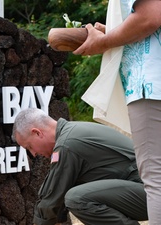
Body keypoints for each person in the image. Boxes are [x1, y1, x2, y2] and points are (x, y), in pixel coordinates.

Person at [73, 1, 161, 224]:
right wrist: (114, 31)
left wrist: (104, 42)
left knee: (156, 179)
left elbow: (150, 16)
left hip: (151, 85)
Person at [12, 108, 147, 225]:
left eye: (29, 147)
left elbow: (52, 196)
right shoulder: (72, 132)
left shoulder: (67, 144)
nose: (33, 154)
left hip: (151, 191)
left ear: (37, 132)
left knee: (76, 198)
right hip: (144, 188)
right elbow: (55, 191)